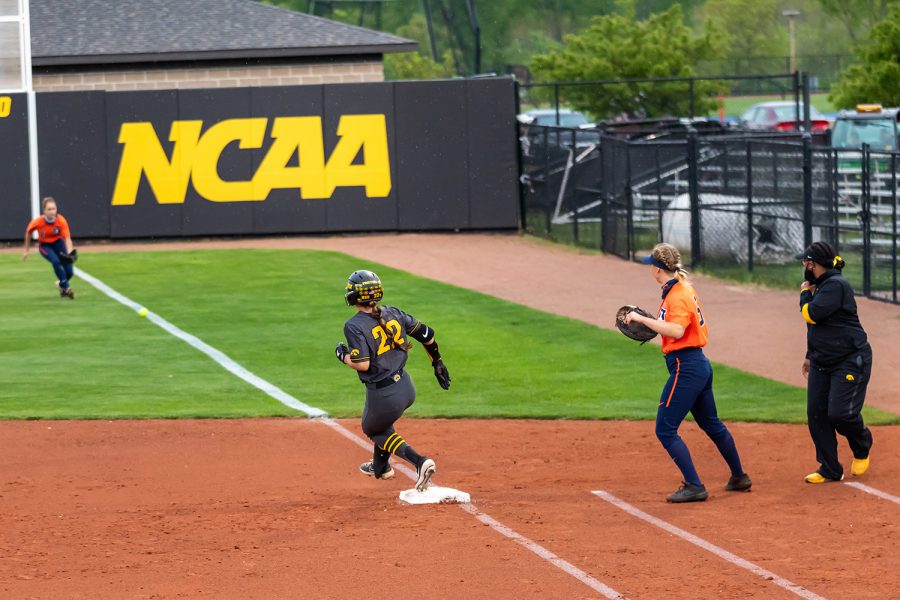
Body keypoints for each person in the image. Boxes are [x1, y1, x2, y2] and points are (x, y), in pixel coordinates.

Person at [625, 243, 751, 503]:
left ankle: (694, 485)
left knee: (665, 429)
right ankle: (739, 477)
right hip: (697, 366)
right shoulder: (678, 289)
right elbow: (673, 327)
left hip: (687, 367)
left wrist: (641, 319)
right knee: (711, 424)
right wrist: (650, 322)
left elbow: (677, 331)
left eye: (651, 263)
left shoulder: (678, 294)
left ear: (658, 269)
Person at [335, 270, 451, 492]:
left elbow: (362, 364)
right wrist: (437, 361)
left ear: (352, 295)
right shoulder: (393, 312)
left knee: (373, 428)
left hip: (385, 394)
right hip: (406, 388)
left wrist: (343, 356)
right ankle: (380, 467)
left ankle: (420, 462)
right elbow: (427, 334)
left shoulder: (354, 325)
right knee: (383, 424)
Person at [796, 241, 873, 483]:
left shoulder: (835, 285)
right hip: (822, 360)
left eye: (805, 263)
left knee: (841, 413)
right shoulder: (821, 285)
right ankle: (829, 468)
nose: (803, 267)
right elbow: (816, 328)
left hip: (850, 359)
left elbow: (811, 314)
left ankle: (862, 446)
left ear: (812, 264)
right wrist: (810, 354)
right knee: (816, 414)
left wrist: (803, 294)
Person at [23, 197, 77, 299]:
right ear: (44, 211)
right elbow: (28, 232)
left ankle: (60, 284)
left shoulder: (61, 220)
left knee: (69, 272)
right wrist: (26, 250)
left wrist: (69, 252)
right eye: (49, 209)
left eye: (54, 209)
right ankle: (67, 288)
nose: (52, 211)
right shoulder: (38, 222)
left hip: (58, 244)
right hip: (45, 246)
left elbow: (67, 238)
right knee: (56, 261)